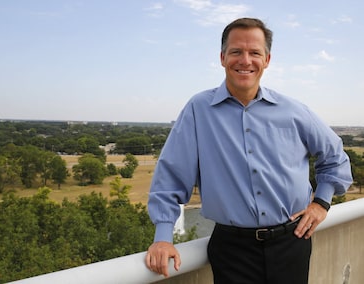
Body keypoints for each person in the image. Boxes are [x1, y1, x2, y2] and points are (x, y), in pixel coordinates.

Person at [145, 17, 352, 284]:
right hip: (231, 250)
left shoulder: (293, 111)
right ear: (222, 57)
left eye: (255, 52)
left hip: (293, 243)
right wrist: (163, 238)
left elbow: (335, 157)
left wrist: (321, 202)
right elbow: (170, 178)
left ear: (267, 59)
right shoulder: (198, 110)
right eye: (236, 52)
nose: (245, 60)